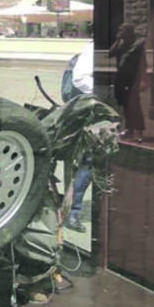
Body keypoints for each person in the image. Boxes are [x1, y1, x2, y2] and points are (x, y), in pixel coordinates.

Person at [64, 44, 95, 232]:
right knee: (87, 161)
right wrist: (104, 88)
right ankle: (72, 212)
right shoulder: (93, 49)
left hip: (106, 109)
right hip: (87, 111)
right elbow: (79, 78)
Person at [109, 23, 146, 142]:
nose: (120, 32)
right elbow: (110, 53)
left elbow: (143, 64)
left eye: (122, 30)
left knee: (134, 105)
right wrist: (117, 40)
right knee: (125, 104)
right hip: (121, 78)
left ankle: (139, 130)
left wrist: (143, 80)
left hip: (133, 79)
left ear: (129, 32)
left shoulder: (138, 45)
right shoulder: (121, 45)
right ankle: (129, 129)